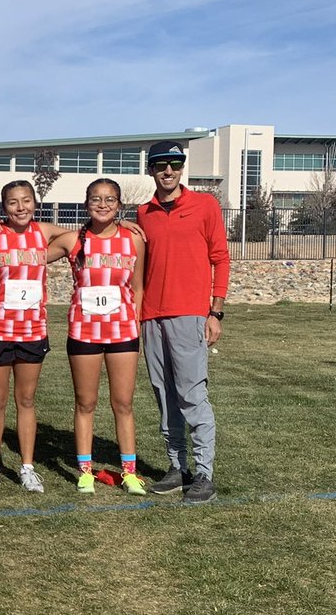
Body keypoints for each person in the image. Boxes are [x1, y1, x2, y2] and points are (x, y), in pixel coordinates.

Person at [136, 141, 230, 504]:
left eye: (175, 164)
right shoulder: (143, 213)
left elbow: (220, 258)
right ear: (151, 169)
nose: (168, 171)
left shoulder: (205, 205)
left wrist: (215, 311)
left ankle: (204, 474)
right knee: (164, 395)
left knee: (192, 396)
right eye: (161, 164)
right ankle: (178, 468)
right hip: (151, 318)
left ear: (181, 168)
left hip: (189, 315)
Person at [0, 181, 72, 494]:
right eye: (13, 202)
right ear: (4, 207)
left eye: (26, 200)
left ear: (35, 203)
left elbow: (82, 237)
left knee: (26, 400)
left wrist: (121, 225)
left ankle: (27, 467)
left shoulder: (43, 233)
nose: (20, 207)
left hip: (31, 330)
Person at [49, 179, 147, 495]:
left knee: (123, 403)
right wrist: (0, 227)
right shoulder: (72, 240)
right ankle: (85, 472)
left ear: (119, 205)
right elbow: (34, 241)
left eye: (110, 200)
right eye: (96, 199)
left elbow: (138, 287)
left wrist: (136, 323)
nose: (103, 205)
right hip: (84, 331)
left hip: (123, 332)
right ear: (86, 203)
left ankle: (129, 473)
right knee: (85, 402)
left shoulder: (133, 239)